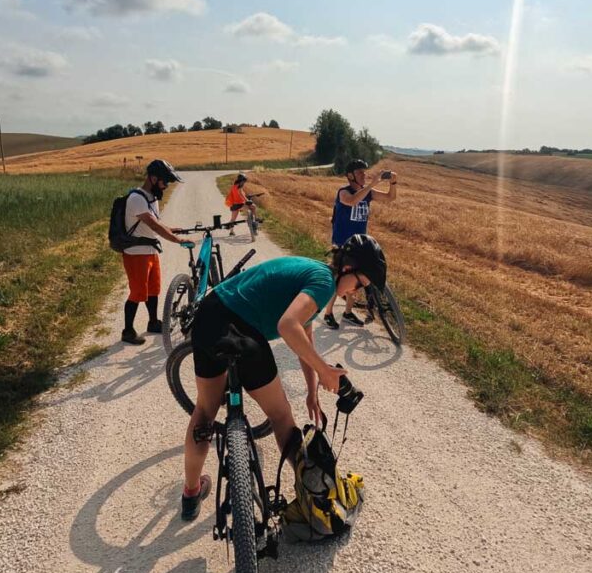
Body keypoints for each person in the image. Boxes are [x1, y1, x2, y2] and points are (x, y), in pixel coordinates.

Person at [180, 234, 388, 520]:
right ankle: (315, 496)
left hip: (209, 316)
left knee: (204, 412)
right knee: (280, 416)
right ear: (348, 268)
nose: (355, 293)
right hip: (242, 330)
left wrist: (312, 390)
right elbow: (288, 325)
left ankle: (190, 493)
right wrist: (326, 371)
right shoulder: (325, 283)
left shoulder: (316, 273)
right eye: (359, 284)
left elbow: (305, 334)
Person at [121, 159, 194, 345]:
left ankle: (153, 322)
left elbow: (156, 224)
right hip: (136, 252)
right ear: (153, 179)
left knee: (153, 289)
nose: (166, 185)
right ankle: (127, 331)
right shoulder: (137, 198)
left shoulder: (151, 197)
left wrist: (171, 229)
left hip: (150, 249)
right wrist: (177, 240)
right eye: (164, 181)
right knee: (138, 292)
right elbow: (152, 224)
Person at [323, 159, 397, 329]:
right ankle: (328, 313)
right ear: (350, 176)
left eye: (364, 172)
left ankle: (348, 312)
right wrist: (371, 184)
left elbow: (390, 197)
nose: (364, 175)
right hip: (342, 243)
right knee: (338, 278)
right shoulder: (344, 192)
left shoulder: (367, 192)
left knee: (355, 279)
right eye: (360, 173)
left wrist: (393, 182)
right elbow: (352, 201)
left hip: (359, 244)